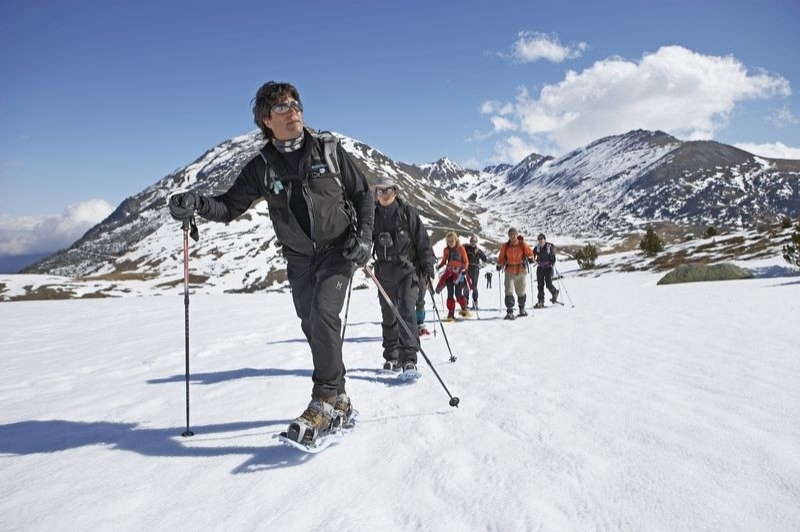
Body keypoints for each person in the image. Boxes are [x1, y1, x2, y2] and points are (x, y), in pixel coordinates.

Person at [167, 81, 374, 446]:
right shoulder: (261, 167)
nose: (293, 110)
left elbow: (363, 193)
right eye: (282, 107)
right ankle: (340, 397)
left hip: (339, 250)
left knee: (324, 314)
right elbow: (229, 207)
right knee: (311, 322)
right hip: (298, 258)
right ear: (266, 120)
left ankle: (323, 400)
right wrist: (196, 203)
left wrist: (366, 237)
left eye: (296, 104)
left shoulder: (328, 150)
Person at [371, 176, 435, 373]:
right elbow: (364, 238)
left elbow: (423, 241)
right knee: (388, 314)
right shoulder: (372, 215)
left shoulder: (408, 214)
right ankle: (392, 356)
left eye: (387, 190)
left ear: (395, 191)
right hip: (383, 272)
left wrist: (428, 267)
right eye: (379, 191)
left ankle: (409, 358)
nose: (383, 195)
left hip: (408, 270)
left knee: (407, 311)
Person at [496, 227, 534, 319]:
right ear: (508, 236)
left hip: (521, 270)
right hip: (509, 271)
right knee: (508, 290)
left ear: (517, 235)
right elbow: (501, 257)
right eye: (510, 235)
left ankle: (522, 309)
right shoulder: (506, 246)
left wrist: (531, 258)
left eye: (514, 234)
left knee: (521, 291)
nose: (512, 236)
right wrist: (499, 264)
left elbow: (530, 252)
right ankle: (510, 311)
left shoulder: (522, 244)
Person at [435, 232, 472, 320]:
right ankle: (451, 313)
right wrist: (440, 266)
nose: (450, 243)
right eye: (448, 241)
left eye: (452, 241)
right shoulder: (446, 250)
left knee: (458, 294)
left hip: (459, 273)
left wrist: (464, 269)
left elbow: (466, 261)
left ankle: (464, 306)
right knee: (450, 293)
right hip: (449, 273)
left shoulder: (461, 249)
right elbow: (444, 260)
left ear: (456, 240)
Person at [533, 233, 560, 308]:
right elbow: (532, 256)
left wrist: (553, 261)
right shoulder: (536, 248)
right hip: (540, 268)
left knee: (548, 284)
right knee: (540, 285)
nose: (540, 240)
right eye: (539, 239)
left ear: (545, 240)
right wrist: (531, 260)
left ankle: (555, 292)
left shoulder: (549, 247)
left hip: (548, 268)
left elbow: (553, 256)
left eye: (542, 239)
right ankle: (541, 301)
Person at [463, 235, 488, 309]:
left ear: (476, 242)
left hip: (475, 269)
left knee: (474, 287)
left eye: (474, 241)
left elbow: (485, 259)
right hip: (467, 268)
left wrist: (479, 253)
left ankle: (475, 302)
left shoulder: (478, 250)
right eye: (471, 241)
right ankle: (466, 301)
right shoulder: (466, 249)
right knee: (466, 286)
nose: (473, 242)